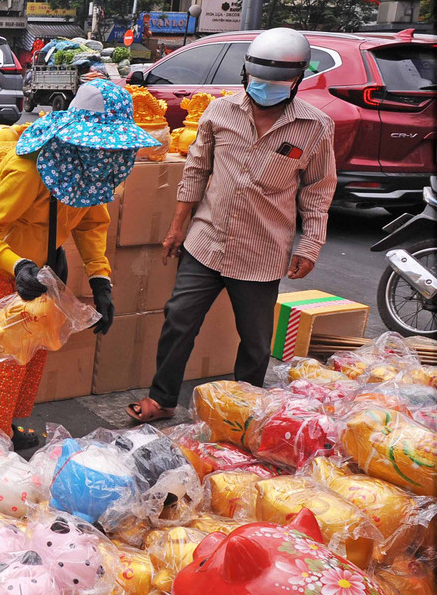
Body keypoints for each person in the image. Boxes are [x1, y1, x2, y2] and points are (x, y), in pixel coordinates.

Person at [128, 28, 338, 423]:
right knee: (178, 320)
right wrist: (177, 227)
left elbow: (318, 190)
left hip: (262, 251)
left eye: (276, 84)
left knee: (256, 341)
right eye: (258, 82)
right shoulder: (219, 112)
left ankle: (244, 412)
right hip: (206, 241)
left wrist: (310, 245)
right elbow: (196, 171)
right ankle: (162, 398)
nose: (265, 89)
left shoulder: (314, 126)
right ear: (245, 75)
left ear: (295, 82)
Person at [0, 79, 159, 449]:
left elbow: (90, 223)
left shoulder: (88, 173)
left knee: (36, 349)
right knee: (5, 356)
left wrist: (101, 280)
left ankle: (12, 423)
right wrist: (16, 265)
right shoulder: (27, 171)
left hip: (42, 269)